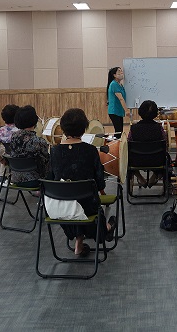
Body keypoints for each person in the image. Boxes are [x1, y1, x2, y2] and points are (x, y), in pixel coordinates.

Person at [47, 108, 116, 256]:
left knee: (73, 199)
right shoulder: (90, 150)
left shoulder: (54, 151)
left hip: (61, 207)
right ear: (84, 129)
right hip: (88, 206)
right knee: (85, 203)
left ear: (63, 128)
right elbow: (100, 183)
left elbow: (51, 179)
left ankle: (79, 240)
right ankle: (106, 229)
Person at [128, 100, 168, 187]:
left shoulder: (133, 128)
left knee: (128, 158)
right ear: (155, 113)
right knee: (166, 157)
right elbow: (165, 143)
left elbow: (128, 143)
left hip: (136, 161)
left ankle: (140, 178)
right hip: (157, 161)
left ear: (140, 112)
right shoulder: (159, 128)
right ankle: (154, 176)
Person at [7, 105, 50, 187]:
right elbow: (46, 162)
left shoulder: (13, 137)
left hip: (15, 178)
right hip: (35, 180)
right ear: (34, 120)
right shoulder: (39, 141)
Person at [0, 104, 20, 186]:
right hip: (25, 161)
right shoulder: (21, 131)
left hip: (10, 160)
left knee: (6, 153)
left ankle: (2, 177)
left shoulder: (1, 131)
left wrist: (1, 160)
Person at [107, 67, 131, 138]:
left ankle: (117, 143)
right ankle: (115, 143)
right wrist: (127, 111)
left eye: (121, 71)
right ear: (114, 75)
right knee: (118, 131)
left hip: (119, 111)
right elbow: (121, 99)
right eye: (119, 72)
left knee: (120, 131)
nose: (121, 73)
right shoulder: (114, 84)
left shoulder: (120, 85)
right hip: (114, 111)